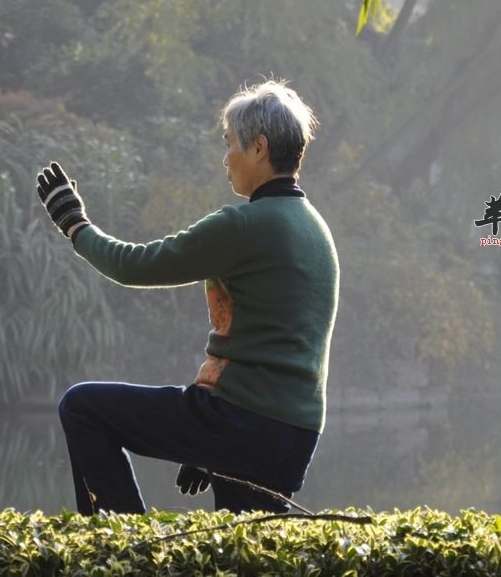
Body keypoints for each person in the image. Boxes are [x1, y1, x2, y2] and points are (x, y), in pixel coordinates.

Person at [36, 79, 339, 515]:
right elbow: (275, 346)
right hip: (295, 435)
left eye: (230, 143)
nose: (225, 158)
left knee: (82, 407)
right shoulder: (317, 229)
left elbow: (134, 265)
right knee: (242, 551)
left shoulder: (243, 226)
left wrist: (75, 225)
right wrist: (204, 446)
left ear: (259, 148)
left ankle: (130, 549)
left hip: (241, 422)